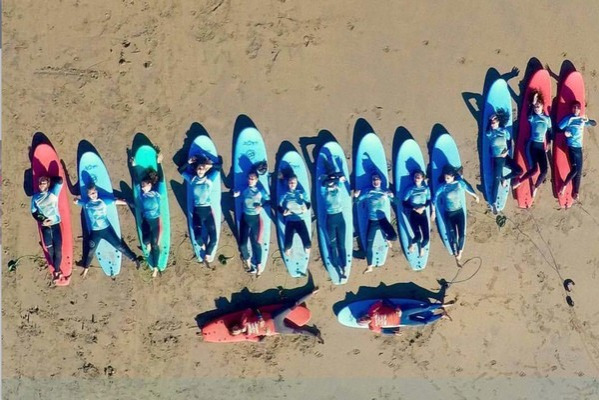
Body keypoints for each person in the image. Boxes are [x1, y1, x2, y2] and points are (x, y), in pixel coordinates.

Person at [74, 184, 140, 277]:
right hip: (95, 232)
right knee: (91, 251)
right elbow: (76, 201)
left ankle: (134, 259)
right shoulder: (86, 203)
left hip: (107, 229)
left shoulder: (103, 201)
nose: (94, 195)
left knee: (119, 245)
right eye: (91, 193)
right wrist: (78, 198)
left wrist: (129, 203)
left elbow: (116, 201)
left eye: (95, 192)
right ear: (88, 195)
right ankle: (86, 268)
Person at [229, 288, 323, 343]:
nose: (235, 330)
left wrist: (260, 318)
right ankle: (316, 335)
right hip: (277, 329)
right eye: (235, 332)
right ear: (237, 334)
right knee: (297, 331)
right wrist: (266, 333)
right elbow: (260, 340)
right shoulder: (248, 336)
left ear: (235, 325)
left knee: (293, 305)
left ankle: (311, 293)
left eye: (233, 328)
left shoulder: (243, 320)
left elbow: (251, 308)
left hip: (274, 317)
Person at [179, 154, 220, 263]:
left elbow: (219, 168)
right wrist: (188, 162)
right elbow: (180, 170)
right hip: (197, 211)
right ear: (196, 169)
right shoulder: (192, 179)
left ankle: (208, 255)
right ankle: (205, 249)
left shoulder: (209, 179)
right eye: (199, 169)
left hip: (207, 211)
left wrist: (210, 165)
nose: (200, 171)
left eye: (202, 169)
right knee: (198, 238)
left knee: (214, 239)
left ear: (205, 170)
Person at [354, 172, 397, 273]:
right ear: (372, 182)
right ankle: (369, 266)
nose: (375, 181)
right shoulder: (368, 192)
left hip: (382, 220)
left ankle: (387, 238)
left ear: (380, 181)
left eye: (377, 179)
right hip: (372, 222)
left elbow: (397, 202)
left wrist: (392, 196)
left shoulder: (385, 191)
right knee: (368, 246)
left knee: (394, 237)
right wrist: (356, 196)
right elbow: (356, 202)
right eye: (374, 180)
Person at [434, 165, 480, 261]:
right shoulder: (443, 187)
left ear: (453, 177)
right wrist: (433, 212)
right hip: (448, 214)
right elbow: (435, 197)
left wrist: (475, 196)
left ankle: (460, 251)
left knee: (462, 234)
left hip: (459, 212)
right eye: (445, 178)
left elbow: (467, 188)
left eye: (448, 178)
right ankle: (456, 252)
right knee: (453, 236)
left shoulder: (459, 183)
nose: (446, 180)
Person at [512, 91, 552, 198]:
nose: (536, 109)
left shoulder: (547, 119)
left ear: (542, 106)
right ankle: (519, 181)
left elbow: (550, 131)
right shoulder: (533, 117)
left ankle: (535, 186)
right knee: (534, 170)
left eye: (538, 106)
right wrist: (532, 104)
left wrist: (549, 142)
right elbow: (528, 114)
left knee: (544, 171)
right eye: (535, 107)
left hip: (541, 147)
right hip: (532, 145)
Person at [130, 152, 164, 278]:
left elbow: (161, 180)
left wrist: (159, 163)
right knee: (145, 241)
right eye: (142, 186)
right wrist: (133, 166)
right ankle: (148, 245)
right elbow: (136, 181)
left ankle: (155, 267)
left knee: (154, 244)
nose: (142, 188)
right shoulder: (141, 194)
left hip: (155, 222)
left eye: (144, 186)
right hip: (145, 221)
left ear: (150, 185)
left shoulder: (157, 193)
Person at [234, 164, 270, 275]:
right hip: (245, 217)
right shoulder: (244, 189)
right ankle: (248, 263)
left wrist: (261, 206)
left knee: (256, 243)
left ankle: (259, 264)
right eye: (249, 178)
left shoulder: (260, 190)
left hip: (255, 219)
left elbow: (268, 200)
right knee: (243, 244)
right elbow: (236, 193)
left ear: (257, 180)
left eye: (253, 179)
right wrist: (235, 194)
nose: (251, 180)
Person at [485, 110, 522, 214]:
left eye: (495, 121)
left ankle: (504, 178)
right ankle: (493, 203)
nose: (493, 123)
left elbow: (509, 144)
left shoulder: (504, 131)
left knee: (519, 171)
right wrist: (490, 119)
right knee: (495, 181)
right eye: (491, 122)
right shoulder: (490, 133)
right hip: (496, 159)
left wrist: (506, 152)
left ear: (498, 122)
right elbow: (487, 129)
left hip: (505, 158)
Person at [558, 100, 596, 201]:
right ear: (571, 109)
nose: (575, 109)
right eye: (574, 107)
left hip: (579, 148)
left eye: (577, 108)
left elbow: (594, 123)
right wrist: (566, 132)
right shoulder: (568, 119)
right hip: (570, 147)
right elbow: (558, 127)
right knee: (574, 169)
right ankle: (564, 186)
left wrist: (588, 120)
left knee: (579, 171)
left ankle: (576, 192)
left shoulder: (582, 119)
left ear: (580, 110)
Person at [31, 175, 64, 282]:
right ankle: (57, 272)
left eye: (43, 182)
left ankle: (57, 271)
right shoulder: (35, 198)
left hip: (55, 225)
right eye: (40, 182)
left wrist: (49, 179)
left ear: (48, 184)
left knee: (58, 251)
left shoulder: (53, 193)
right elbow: (34, 212)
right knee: (50, 251)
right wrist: (42, 220)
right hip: (45, 226)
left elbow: (59, 181)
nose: (41, 184)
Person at [357, 299, 453, 335]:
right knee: (424, 322)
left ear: (364, 316)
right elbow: (383, 331)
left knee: (424, 308)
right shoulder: (373, 327)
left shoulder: (372, 311)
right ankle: (441, 315)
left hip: (402, 312)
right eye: (363, 321)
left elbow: (383, 300)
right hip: (402, 322)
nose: (364, 319)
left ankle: (442, 305)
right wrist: (393, 332)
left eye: (362, 318)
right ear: (365, 324)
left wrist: (395, 308)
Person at [320, 170, 349, 278]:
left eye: (333, 180)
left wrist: (336, 177)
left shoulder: (338, 188)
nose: (332, 182)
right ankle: (337, 267)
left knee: (342, 245)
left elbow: (342, 178)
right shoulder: (324, 190)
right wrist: (333, 178)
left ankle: (344, 267)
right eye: (330, 180)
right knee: (333, 246)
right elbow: (325, 183)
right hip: (330, 220)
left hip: (340, 219)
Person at [402, 170, 435, 258]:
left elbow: (428, 200)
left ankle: (422, 247)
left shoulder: (426, 189)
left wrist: (423, 207)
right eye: (415, 176)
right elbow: (404, 202)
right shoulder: (410, 189)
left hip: (423, 214)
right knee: (417, 237)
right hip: (413, 214)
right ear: (413, 178)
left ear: (422, 178)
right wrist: (414, 208)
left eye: (419, 177)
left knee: (426, 239)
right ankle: (412, 244)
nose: (417, 178)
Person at [278, 172, 311, 258]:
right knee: (287, 246)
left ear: (297, 183)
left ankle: (305, 246)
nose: (292, 184)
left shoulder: (301, 193)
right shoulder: (284, 195)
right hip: (290, 221)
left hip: (300, 219)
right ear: (288, 183)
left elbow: (308, 203)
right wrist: (283, 211)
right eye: (290, 182)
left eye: (294, 182)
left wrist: (306, 208)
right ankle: (287, 247)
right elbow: (278, 206)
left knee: (308, 245)